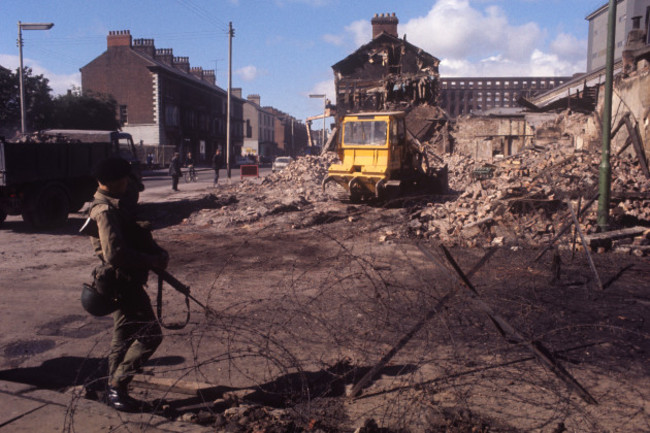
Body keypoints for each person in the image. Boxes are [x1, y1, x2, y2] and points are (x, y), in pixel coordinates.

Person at [88, 157, 169, 412]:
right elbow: (115, 254)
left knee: (122, 337)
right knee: (151, 335)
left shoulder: (112, 204)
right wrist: (150, 259)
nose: (127, 182)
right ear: (111, 182)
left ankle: (109, 387)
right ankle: (117, 386)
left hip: (125, 280)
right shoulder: (105, 211)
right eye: (123, 179)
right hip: (123, 282)